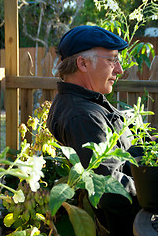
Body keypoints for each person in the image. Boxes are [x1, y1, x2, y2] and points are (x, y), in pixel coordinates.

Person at [47, 25, 142, 236]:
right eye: (112, 60)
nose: (119, 69)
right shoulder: (82, 116)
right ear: (82, 63)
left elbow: (123, 156)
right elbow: (109, 188)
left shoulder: (89, 100)